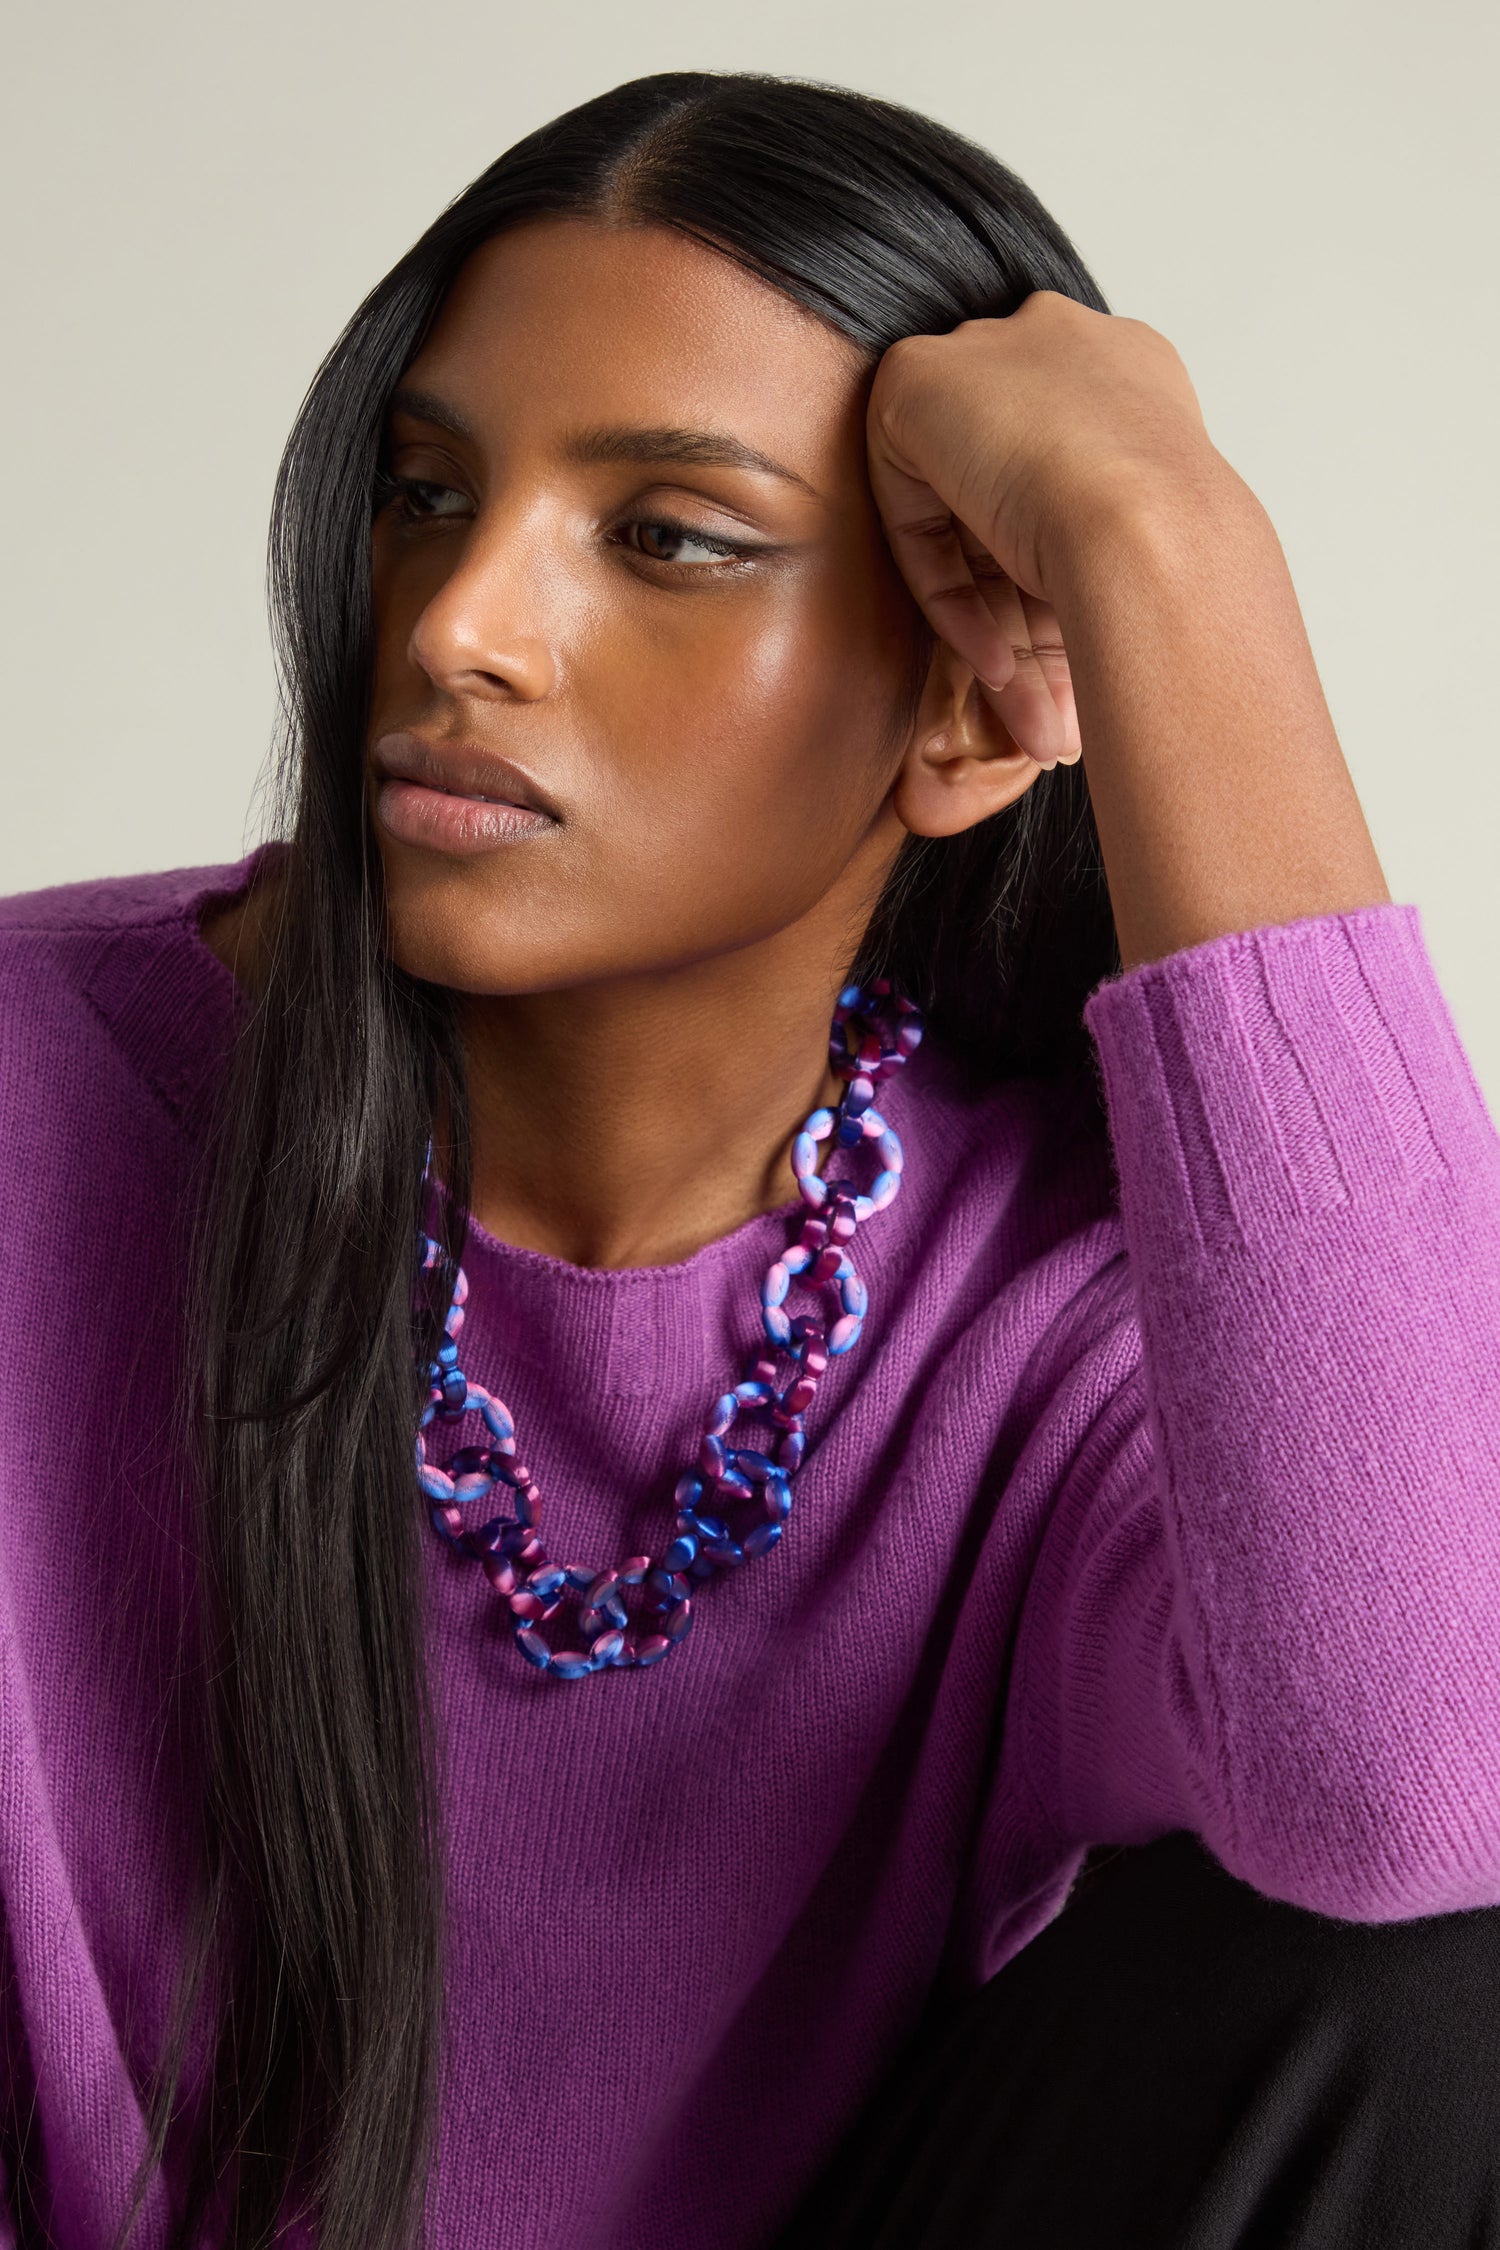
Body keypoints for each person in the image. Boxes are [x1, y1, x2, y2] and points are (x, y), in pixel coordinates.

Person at [2, 66, 1498, 2250]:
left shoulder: (1055, 1309)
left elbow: (1425, 1772)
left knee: (1429, 1996)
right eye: (423, 493)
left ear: (976, 710)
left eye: (669, 535)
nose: (453, 628)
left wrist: (1175, 554)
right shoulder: (39, 1104)